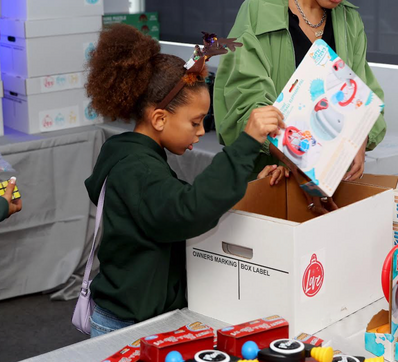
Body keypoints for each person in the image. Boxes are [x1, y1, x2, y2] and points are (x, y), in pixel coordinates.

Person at [84, 24, 286, 337]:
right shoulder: (137, 169)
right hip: (126, 327)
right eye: (194, 122)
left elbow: (177, 202)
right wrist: (246, 143)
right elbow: (187, 209)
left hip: (135, 318)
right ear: (160, 118)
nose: (202, 132)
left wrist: (251, 186)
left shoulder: (130, 155)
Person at [214, 0, 398, 214]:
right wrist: (289, 154)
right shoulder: (259, 11)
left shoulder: (349, 22)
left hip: (329, 182)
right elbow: (245, 102)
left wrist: (357, 141)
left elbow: (366, 100)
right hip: (268, 177)